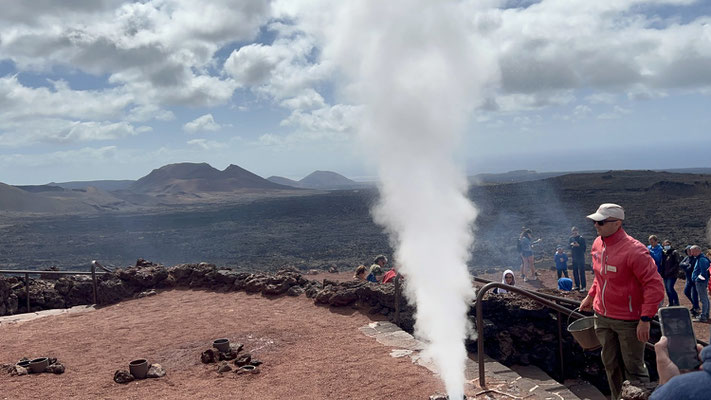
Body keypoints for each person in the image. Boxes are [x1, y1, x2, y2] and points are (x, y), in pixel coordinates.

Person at [579, 203, 664, 400]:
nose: (596, 226)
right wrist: (591, 296)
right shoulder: (597, 244)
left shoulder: (635, 251)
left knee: (633, 368)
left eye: (600, 222)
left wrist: (645, 318)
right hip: (602, 316)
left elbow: (654, 285)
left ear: (617, 223)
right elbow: (600, 277)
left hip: (628, 321)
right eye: (594, 222)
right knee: (610, 364)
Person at [689, 245, 710, 322]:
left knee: (703, 299)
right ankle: (706, 314)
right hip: (701, 281)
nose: (691, 253)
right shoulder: (701, 258)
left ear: (698, 251)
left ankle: (703, 316)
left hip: (701, 282)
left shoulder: (701, 260)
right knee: (705, 299)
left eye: (692, 251)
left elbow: (704, 272)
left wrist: (697, 279)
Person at [680, 245, 700, 316]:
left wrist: (686, 266)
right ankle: (695, 306)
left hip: (693, 280)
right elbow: (681, 264)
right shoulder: (687, 258)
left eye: (690, 251)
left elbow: (690, 268)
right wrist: (686, 265)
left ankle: (696, 309)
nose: (689, 252)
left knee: (694, 295)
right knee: (686, 292)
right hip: (688, 280)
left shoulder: (694, 259)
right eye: (687, 251)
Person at [660, 240, 680, 307]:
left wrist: (671, 271)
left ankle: (676, 302)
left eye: (668, 244)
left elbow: (677, 263)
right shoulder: (664, 253)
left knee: (670, 288)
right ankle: (671, 303)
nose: (666, 246)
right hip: (665, 274)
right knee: (667, 289)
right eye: (665, 245)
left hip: (672, 274)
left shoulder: (674, 252)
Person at [568, 226, 587, 292]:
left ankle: (583, 286)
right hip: (574, 257)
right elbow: (568, 247)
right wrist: (571, 245)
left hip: (581, 257)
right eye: (573, 232)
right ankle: (577, 286)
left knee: (582, 272)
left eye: (575, 231)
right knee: (575, 272)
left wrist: (578, 246)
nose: (574, 233)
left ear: (577, 231)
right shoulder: (571, 238)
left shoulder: (581, 238)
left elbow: (584, 248)